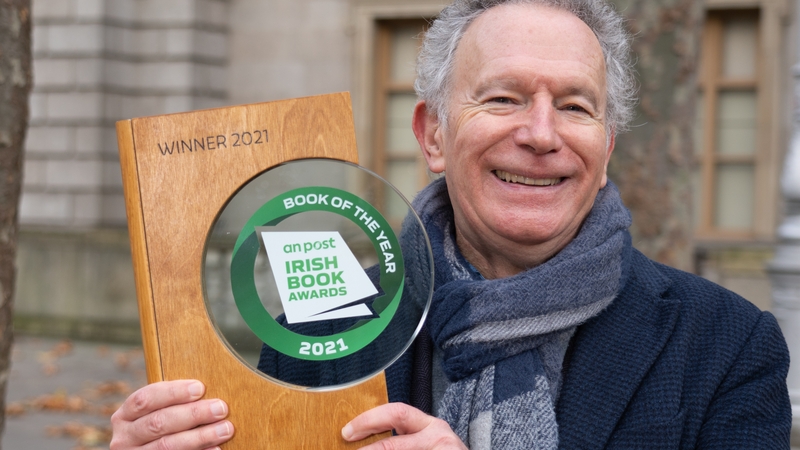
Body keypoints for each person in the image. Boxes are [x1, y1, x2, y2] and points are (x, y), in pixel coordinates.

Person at [110, 0, 793, 448]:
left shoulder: (727, 346)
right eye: (503, 98)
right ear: (432, 134)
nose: (541, 133)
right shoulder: (322, 324)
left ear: (606, 149)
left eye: (578, 107)